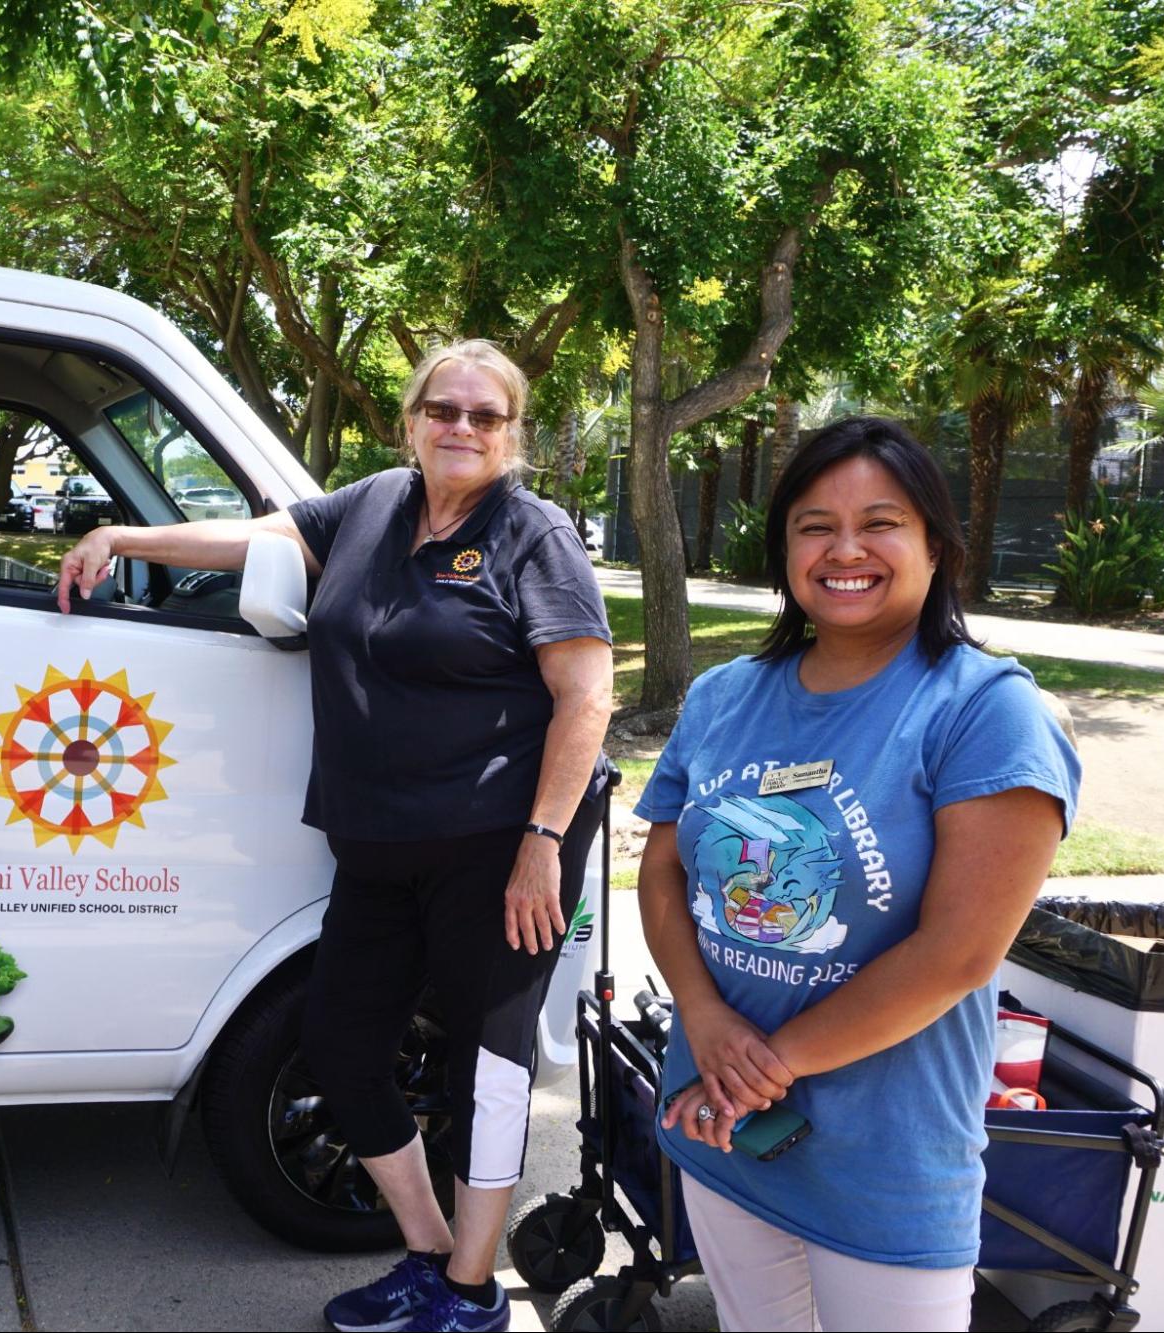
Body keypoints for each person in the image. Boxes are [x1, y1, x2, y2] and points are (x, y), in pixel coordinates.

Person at [56, 339, 613, 1333]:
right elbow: (251, 537)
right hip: (374, 840)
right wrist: (123, 539)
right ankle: (429, 1252)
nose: (461, 428)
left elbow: (585, 696)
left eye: (486, 417)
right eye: (444, 409)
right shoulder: (371, 505)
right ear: (411, 418)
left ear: (512, 433)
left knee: (485, 1063)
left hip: (498, 843)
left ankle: (473, 1293)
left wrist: (542, 841)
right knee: (341, 1044)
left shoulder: (535, 534)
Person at [634, 417, 1080, 1332]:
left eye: (880, 522)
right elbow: (662, 871)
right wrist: (707, 1022)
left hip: (884, 1157)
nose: (844, 549)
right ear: (783, 549)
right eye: (812, 524)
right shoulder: (723, 695)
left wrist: (765, 1066)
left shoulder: (985, 710)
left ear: (935, 547)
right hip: (720, 1122)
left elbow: (957, 953)